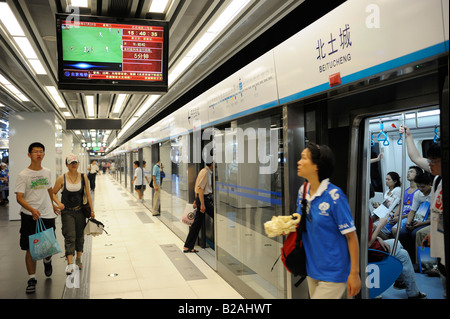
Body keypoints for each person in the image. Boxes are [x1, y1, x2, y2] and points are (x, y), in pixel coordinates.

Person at [296, 143, 360, 298]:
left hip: (333, 272)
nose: (299, 162)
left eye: (304, 158)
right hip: (312, 268)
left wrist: (354, 273)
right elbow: (300, 222)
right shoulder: (303, 191)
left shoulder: (334, 196)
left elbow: (351, 236)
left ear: (317, 166)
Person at [400, 125, 445, 297]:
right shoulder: (436, 180)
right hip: (439, 236)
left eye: (434, 161)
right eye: (430, 160)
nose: (430, 164)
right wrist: (409, 135)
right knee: (443, 274)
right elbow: (415, 157)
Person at [14, 142, 61, 293]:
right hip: (30, 216)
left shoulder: (47, 172)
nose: (39, 154)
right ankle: (32, 278)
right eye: (35, 152)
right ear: (29, 155)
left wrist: (54, 204)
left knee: (48, 248)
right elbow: (19, 198)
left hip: (47, 215)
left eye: (41, 151)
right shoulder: (23, 175)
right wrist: (32, 209)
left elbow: (49, 190)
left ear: (44, 154)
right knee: (30, 248)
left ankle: (48, 261)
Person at [368, 211, 427, 299]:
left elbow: (365, 235)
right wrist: (380, 225)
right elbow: (367, 244)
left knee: (400, 249)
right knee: (401, 251)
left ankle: (402, 283)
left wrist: (378, 237)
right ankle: (410, 290)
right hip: (371, 250)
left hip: (373, 245)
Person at [52, 154, 94, 274]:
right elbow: (53, 193)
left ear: (78, 164)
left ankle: (79, 258)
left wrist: (92, 210)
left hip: (80, 211)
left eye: (75, 162)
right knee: (70, 236)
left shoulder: (83, 176)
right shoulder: (61, 178)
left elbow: (88, 194)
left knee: (80, 236)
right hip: (67, 212)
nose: (73, 165)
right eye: (71, 163)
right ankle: (70, 263)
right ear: (66, 165)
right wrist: (58, 203)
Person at [398, 172, 432, 262]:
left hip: (431, 221)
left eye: (423, 187)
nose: (420, 189)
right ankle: (411, 259)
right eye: (418, 186)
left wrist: (423, 223)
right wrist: (408, 223)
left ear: (429, 184)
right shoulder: (417, 194)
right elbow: (412, 211)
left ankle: (419, 261)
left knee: (415, 233)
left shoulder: (435, 194)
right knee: (403, 233)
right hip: (419, 219)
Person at [383, 166, 423, 237]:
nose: (408, 173)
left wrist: (400, 217)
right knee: (382, 224)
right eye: (408, 172)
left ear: (418, 175)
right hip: (401, 215)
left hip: (409, 216)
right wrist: (394, 216)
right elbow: (401, 205)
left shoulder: (419, 192)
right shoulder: (405, 191)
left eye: (411, 172)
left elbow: (417, 211)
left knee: (395, 229)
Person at [183, 162, 214, 253]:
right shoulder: (206, 173)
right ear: (212, 163)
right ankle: (188, 246)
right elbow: (200, 188)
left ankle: (188, 246)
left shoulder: (203, 171)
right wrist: (202, 204)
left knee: (196, 224)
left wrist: (196, 200)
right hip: (204, 200)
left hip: (201, 199)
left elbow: (197, 187)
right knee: (216, 217)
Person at [371, 172, 402, 238]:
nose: (386, 181)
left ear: (395, 181)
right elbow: (386, 204)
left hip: (390, 214)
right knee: (370, 221)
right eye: (386, 179)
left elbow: (392, 205)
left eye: (388, 179)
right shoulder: (387, 191)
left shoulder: (397, 190)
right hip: (384, 212)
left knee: (372, 225)